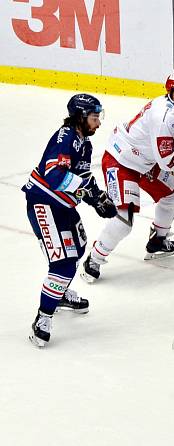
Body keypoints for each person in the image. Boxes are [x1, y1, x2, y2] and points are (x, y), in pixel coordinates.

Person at [80, 72, 174, 283]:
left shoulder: (173, 108)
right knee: (123, 221)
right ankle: (94, 259)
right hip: (121, 161)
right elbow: (167, 160)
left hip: (144, 161)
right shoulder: (165, 116)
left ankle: (158, 240)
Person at [22, 94, 116, 347]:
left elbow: (82, 176)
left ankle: (59, 294)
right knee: (63, 264)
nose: (98, 123)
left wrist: (97, 198)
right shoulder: (66, 138)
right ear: (80, 117)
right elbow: (54, 176)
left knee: (79, 249)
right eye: (94, 118)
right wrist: (87, 193)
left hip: (62, 206)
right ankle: (43, 318)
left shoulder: (83, 143)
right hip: (44, 204)